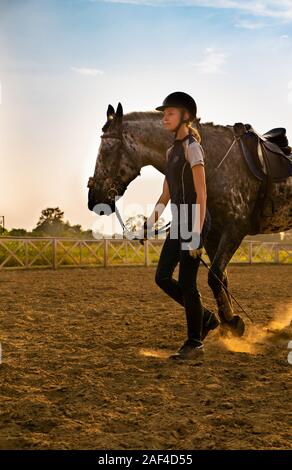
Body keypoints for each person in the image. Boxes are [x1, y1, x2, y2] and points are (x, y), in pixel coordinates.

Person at [142, 91, 219, 361]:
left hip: (194, 220)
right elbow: (166, 194)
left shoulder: (192, 148)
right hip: (179, 221)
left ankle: (195, 342)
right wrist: (149, 224)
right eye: (164, 113)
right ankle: (207, 319)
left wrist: (196, 235)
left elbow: (202, 193)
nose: (164, 117)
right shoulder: (171, 150)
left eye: (170, 113)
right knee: (162, 276)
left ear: (185, 116)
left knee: (187, 282)